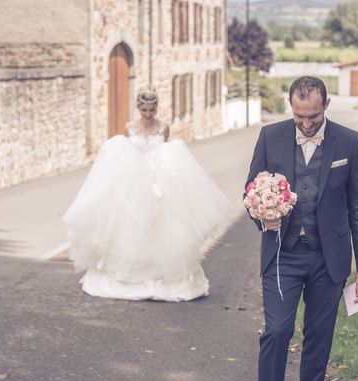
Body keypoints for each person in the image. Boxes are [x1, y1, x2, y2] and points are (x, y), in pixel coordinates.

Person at [244, 76, 358, 381]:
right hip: (283, 255)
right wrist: (263, 215)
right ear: (291, 107)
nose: (306, 123)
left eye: (313, 116)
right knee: (278, 332)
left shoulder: (347, 141)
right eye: (300, 116)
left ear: (326, 105)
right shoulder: (270, 137)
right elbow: (250, 191)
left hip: (328, 260)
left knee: (319, 338)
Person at [63, 88, 232, 301]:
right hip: (133, 184)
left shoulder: (163, 128)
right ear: (138, 108)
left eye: (152, 110)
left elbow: (164, 155)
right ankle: (126, 277)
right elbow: (126, 157)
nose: (148, 114)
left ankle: (165, 277)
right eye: (144, 110)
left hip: (157, 183)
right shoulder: (130, 129)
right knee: (130, 226)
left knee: (160, 227)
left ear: (156, 108)